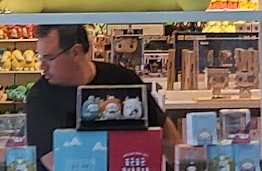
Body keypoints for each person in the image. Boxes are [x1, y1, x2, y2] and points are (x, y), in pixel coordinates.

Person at [24, 24, 180, 169]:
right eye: (40, 58)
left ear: (76, 52)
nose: (42, 66)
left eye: (48, 58)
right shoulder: (39, 97)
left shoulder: (123, 80)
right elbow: (56, 162)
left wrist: (181, 163)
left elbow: (163, 127)